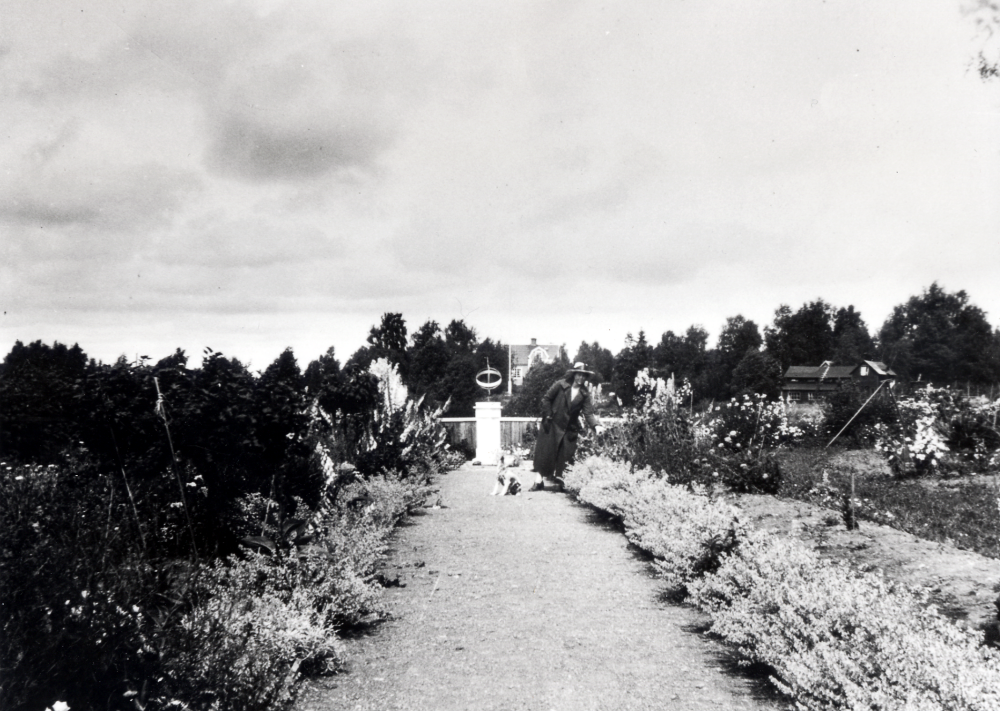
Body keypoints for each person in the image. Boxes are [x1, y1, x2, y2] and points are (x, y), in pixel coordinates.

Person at [530, 362, 601, 491]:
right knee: (545, 453)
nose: (581, 378)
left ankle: (560, 483)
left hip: (569, 428)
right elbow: (546, 399)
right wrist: (549, 414)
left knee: (565, 455)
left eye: (584, 376)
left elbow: (588, 413)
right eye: (578, 375)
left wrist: (596, 426)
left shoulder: (585, 394)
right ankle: (538, 482)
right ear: (574, 375)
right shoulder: (560, 385)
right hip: (552, 425)